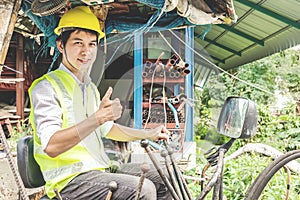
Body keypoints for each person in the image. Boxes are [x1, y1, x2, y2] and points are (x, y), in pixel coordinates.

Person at [28, 6, 172, 200]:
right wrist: (97, 119)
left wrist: (149, 134)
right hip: (69, 180)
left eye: (92, 44)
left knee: (166, 178)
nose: (86, 51)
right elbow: (52, 146)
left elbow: (107, 129)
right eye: (78, 43)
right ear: (61, 45)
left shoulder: (89, 88)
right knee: (143, 189)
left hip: (98, 169)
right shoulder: (47, 87)